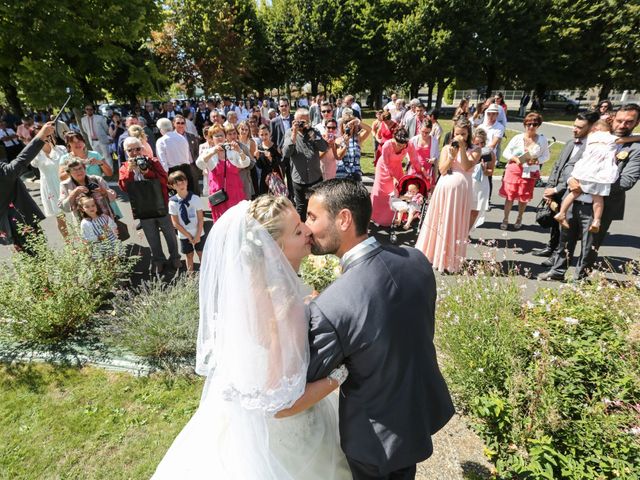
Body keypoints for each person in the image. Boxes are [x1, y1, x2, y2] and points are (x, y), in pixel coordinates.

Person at [152, 195, 351, 480]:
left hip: (243, 417)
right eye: (297, 231)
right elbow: (280, 406)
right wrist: (341, 373)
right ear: (274, 249)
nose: (308, 230)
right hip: (285, 439)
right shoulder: (285, 306)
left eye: (302, 222)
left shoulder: (248, 287)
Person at [304, 179, 455, 479]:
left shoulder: (332, 304)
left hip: (373, 438)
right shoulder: (416, 260)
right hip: (416, 413)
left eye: (312, 217)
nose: (306, 227)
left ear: (344, 219)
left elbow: (308, 373)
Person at [538, 104, 640, 281]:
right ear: (613, 119)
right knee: (565, 239)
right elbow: (571, 164)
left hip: (601, 205)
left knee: (590, 245)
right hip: (574, 198)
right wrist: (570, 179)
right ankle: (557, 271)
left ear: (637, 123)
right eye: (620, 120)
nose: (623, 125)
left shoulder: (635, 149)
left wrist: (590, 185)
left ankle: (581, 278)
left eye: (629, 122)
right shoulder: (595, 138)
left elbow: (626, 181)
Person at [415, 118, 479, 273]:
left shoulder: (476, 149)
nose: (460, 137)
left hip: (461, 192)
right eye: (457, 133)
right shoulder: (446, 148)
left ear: (468, 134)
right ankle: (433, 255)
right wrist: (451, 156)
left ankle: (450, 260)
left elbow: (466, 166)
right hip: (444, 190)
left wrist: (462, 148)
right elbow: (442, 170)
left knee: (455, 222)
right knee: (440, 220)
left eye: (463, 134)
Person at [534, 113, 594, 260]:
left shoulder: (591, 148)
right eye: (574, 125)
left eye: (579, 127)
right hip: (557, 190)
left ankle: (558, 255)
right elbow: (557, 167)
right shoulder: (570, 143)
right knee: (554, 221)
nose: (574, 129)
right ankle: (551, 247)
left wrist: (557, 189)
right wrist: (550, 189)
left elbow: (576, 174)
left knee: (565, 227)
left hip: (572, 192)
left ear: (591, 128)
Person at [119, 136, 181, 274]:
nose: (135, 152)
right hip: (143, 208)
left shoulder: (153, 161)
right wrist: (130, 171)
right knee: (152, 236)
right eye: (130, 150)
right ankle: (158, 259)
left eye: (138, 149)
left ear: (143, 149)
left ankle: (175, 257)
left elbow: (164, 180)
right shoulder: (124, 167)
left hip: (160, 204)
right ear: (125, 152)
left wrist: (147, 172)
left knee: (169, 234)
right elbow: (124, 187)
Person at [554, 120, 628, 233]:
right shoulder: (609, 138)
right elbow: (626, 139)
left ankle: (561, 213)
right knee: (598, 198)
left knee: (574, 192)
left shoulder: (590, 138)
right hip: (599, 171)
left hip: (584, 169)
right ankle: (596, 221)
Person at [1, 122, 54, 252]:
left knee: (32, 261)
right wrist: (40, 136)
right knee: (40, 259)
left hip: (9, 225)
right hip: (20, 222)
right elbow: (19, 163)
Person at [498, 112, 550, 230]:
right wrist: (515, 158)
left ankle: (519, 217)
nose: (531, 126)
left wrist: (537, 160)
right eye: (528, 124)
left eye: (534, 124)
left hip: (529, 172)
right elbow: (506, 153)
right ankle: (505, 219)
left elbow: (546, 156)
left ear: (538, 125)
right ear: (525, 124)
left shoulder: (542, 140)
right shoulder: (517, 138)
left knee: (523, 197)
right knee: (510, 196)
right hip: (514, 170)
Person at [195, 124, 250, 221]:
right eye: (216, 136)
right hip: (219, 196)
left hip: (235, 193)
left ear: (225, 137)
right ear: (211, 139)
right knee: (221, 222)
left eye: (221, 135)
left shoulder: (232, 151)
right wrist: (213, 152)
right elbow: (200, 164)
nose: (220, 138)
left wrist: (240, 151)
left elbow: (245, 163)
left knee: (237, 221)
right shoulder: (208, 152)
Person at [370, 127, 423, 227]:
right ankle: (377, 217)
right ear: (394, 138)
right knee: (382, 193)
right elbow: (386, 163)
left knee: (396, 193)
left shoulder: (409, 144)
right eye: (399, 145)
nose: (401, 148)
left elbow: (414, 160)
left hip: (397, 168)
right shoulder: (387, 145)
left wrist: (420, 172)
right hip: (384, 168)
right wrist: (392, 177)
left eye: (403, 146)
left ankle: (394, 218)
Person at [282, 108, 328, 221]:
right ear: (295, 120)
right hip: (299, 179)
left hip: (315, 177)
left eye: (305, 121)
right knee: (301, 208)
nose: (302, 124)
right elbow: (286, 153)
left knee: (317, 207)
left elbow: (324, 147)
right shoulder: (289, 132)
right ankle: (303, 232)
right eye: (300, 121)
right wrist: (294, 133)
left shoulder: (314, 131)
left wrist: (311, 132)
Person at [30, 126, 68, 237]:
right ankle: (70, 245)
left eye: (47, 133)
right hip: (50, 186)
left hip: (65, 182)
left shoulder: (61, 149)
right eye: (41, 135)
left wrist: (52, 146)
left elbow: (66, 163)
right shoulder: (35, 154)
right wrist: (37, 146)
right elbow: (34, 164)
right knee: (60, 217)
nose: (45, 136)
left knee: (78, 211)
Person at [59, 158, 117, 224]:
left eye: (80, 168)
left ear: (84, 168)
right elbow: (65, 208)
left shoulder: (96, 179)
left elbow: (113, 196)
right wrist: (74, 193)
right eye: (74, 170)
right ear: (69, 173)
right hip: (84, 225)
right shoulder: (65, 185)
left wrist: (105, 192)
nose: (79, 171)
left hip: (106, 221)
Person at [167, 171, 205, 272]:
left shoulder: (195, 198)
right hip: (184, 234)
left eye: (182, 182)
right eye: (177, 184)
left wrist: (197, 235)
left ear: (187, 182)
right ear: (172, 186)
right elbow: (175, 223)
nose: (181, 185)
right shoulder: (172, 202)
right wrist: (188, 235)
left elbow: (201, 219)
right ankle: (190, 278)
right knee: (189, 255)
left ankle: (206, 275)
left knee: (201, 253)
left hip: (198, 232)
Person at [156, 117, 196, 193]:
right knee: (189, 195)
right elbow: (188, 156)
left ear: (161, 129)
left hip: (173, 172)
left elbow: (162, 162)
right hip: (186, 170)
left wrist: (166, 178)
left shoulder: (161, 141)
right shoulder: (181, 137)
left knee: (176, 199)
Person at [469, 128, 495, 230]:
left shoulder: (489, 153)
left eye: (482, 143)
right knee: (465, 209)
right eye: (476, 143)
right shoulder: (468, 151)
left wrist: (485, 170)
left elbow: (491, 171)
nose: (479, 146)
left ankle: (467, 232)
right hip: (469, 182)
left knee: (475, 210)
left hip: (481, 184)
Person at [335, 108, 371, 182]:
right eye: (345, 122)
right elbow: (338, 156)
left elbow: (369, 130)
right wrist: (345, 143)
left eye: (350, 122)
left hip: (356, 174)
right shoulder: (338, 140)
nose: (348, 124)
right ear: (342, 125)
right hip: (342, 173)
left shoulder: (358, 138)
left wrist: (357, 121)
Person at [255, 125, 284, 194]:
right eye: (262, 135)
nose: (264, 137)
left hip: (275, 177)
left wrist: (270, 159)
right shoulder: (259, 147)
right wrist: (257, 158)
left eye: (266, 134)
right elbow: (260, 166)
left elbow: (280, 163)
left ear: (270, 133)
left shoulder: (275, 147)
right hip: (264, 178)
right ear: (259, 135)